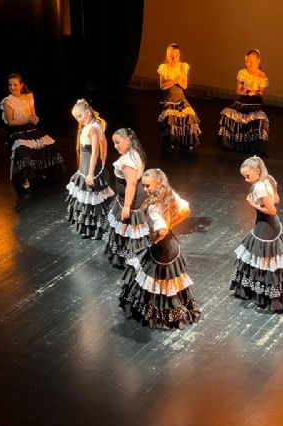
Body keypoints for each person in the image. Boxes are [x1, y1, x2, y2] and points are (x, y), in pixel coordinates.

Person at [119, 168, 201, 329]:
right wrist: (170, 226)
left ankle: (164, 316)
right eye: (143, 186)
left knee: (159, 281)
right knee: (167, 282)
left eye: (148, 186)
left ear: (158, 183)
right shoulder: (169, 195)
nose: (145, 189)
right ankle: (176, 313)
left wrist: (159, 235)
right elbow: (185, 209)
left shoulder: (154, 207)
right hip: (172, 247)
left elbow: (161, 228)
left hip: (162, 249)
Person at [230, 155, 283, 312]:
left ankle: (266, 297)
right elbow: (277, 199)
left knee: (263, 259)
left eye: (248, 176)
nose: (246, 180)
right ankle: (270, 294)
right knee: (265, 259)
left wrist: (253, 204)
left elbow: (272, 210)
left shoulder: (260, 187)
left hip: (266, 226)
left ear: (257, 171)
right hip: (272, 226)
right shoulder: (270, 179)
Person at [0, 73, 63, 191]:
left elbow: (33, 115)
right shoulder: (7, 101)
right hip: (16, 131)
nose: (12, 87)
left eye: (15, 84)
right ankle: (25, 178)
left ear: (21, 85)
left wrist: (34, 119)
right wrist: (27, 119)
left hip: (30, 128)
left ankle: (44, 171)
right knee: (23, 149)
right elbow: (11, 122)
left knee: (50, 143)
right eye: (10, 85)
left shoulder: (29, 96)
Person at [66, 99, 114, 239]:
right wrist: (102, 163)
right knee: (86, 200)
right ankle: (88, 229)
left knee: (93, 199)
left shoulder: (93, 128)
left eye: (80, 116)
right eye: (76, 118)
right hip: (84, 168)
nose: (79, 120)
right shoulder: (90, 126)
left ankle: (96, 230)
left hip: (90, 170)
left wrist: (92, 173)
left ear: (87, 112)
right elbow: (104, 145)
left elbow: (96, 151)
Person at [103, 128, 151, 268]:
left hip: (130, 198)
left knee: (129, 227)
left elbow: (131, 183)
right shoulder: (136, 153)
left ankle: (129, 259)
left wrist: (127, 206)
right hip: (132, 195)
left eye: (118, 142)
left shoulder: (127, 160)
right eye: (114, 143)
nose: (115, 146)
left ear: (128, 141)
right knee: (132, 229)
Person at [218, 49, 269, 155]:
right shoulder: (243, 73)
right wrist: (243, 90)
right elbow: (238, 90)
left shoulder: (261, 75)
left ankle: (253, 146)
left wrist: (255, 91)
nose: (248, 64)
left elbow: (261, 93)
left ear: (257, 62)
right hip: (242, 101)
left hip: (254, 104)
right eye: (247, 62)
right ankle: (231, 143)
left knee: (259, 119)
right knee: (229, 114)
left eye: (250, 62)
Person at [157, 44, 201, 152]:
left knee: (189, 116)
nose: (174, 58)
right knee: (171, 118)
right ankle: (170, 143)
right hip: (169, 99)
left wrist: (178, 81)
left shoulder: (182, 67)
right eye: (171, 56)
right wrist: (173, 81)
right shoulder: (164, 67)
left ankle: (188, 142)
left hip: (180, 98)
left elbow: (185, 85)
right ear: (168, 56)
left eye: (176, 56)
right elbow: (162, 86)